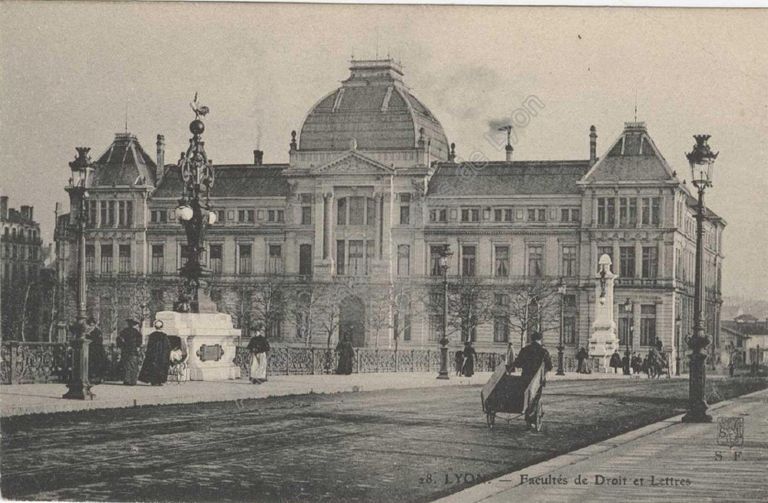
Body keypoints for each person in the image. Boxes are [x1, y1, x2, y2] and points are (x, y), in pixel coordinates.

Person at [513, 332, 553, 429]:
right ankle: (530, 419)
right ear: (540, 339)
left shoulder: (525, 350)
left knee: (525, 397)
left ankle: (527, 416)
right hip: (537, 380)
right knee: (535, 399)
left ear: (531, 339)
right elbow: (550, 366)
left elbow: (517, 364)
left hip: (525, 378)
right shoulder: (543, 351)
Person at [139, 320, 172, 386]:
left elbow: (149, 346)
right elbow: (167, 347)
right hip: (162, 356)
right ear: (162, 327)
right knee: (161, 368)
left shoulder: (152, 335)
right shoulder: (164, 336)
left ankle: (153, 381)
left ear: (155, 327)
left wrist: (148, 353)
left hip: (153, 355)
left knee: (153, 367)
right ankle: (160, 381)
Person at [116, 318, 143, 385]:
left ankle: (127, 380)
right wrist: (137, 346)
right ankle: (132, 380)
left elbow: (118, 338)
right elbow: (139, 342)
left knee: (126, 365)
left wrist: (121, 345)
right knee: (133, 365)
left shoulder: (124, 331)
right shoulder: (136, 332)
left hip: (126, 350)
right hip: (133, 350)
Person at [84, 317, 107, 384]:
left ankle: (97, 378)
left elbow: (99, 340)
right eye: (90, 323)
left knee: (98, 363)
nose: (91, 324)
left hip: (97, 349)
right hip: (88, 349)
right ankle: (89, 377)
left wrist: (91, 340)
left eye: (92, 323)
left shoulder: (97, 331)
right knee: (89, 363)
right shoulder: (87, 330)